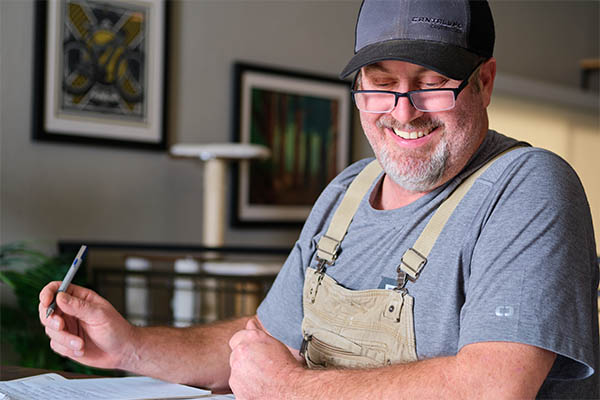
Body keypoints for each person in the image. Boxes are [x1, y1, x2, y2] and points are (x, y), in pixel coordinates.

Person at [39, 0, 598, 398]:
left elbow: (492, 388)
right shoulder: (346, 192)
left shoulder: (528, 187)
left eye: (431, 82)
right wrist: (128, 347)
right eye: (380, 83)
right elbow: (261, 344)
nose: (403, 111)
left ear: (485, 82)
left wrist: (289, 387)